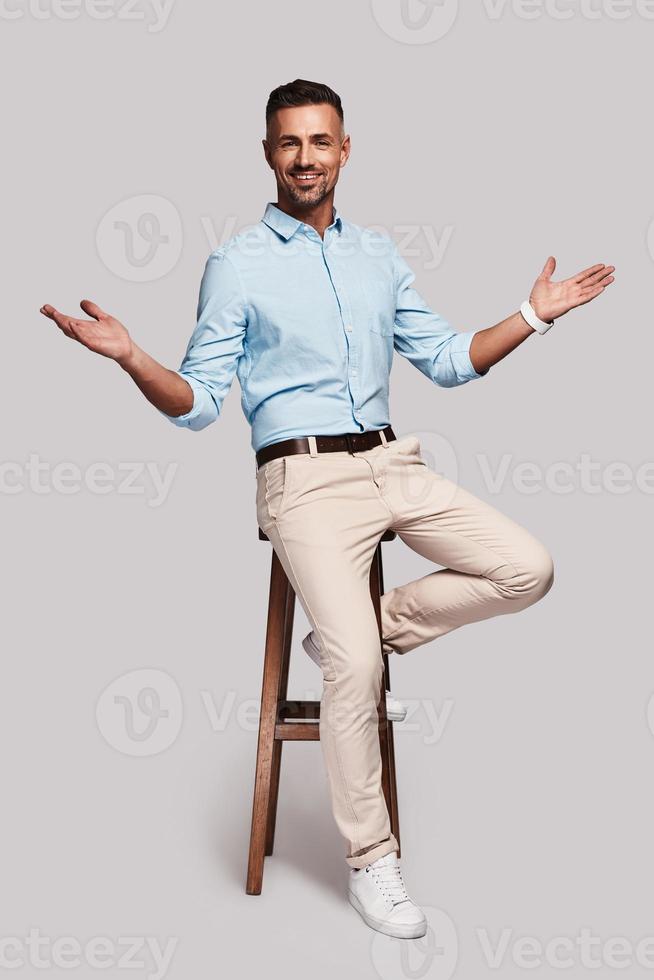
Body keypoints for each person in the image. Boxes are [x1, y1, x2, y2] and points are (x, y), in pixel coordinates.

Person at [40, 78, 615, 941]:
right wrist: (131, 356)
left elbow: (451, 361)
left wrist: (536, 314)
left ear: (347, 149)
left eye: (321, 141)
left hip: (391, 461)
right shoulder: (236, 263)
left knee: (528, 568)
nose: (305, 157)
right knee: (356, 665)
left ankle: (361, 624)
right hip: (302, 482)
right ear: (267, 153)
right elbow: (198, 402)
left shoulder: (378, 255)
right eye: (288, 143)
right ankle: (371, 862)